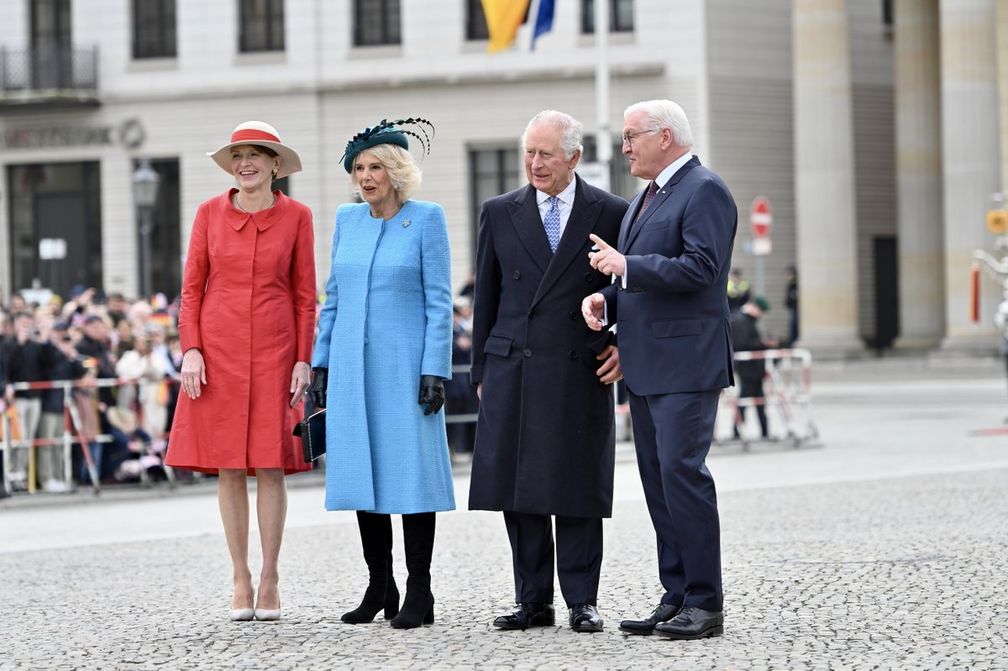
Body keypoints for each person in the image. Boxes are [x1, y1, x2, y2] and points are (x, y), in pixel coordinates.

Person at [469, 110, 628, 633]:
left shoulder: (611, 211)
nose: (534, 164)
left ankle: (582, 599)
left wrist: (621, 343)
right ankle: (532, 600)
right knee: (522, 487)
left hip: (579, 365)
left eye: (546, 154)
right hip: (515, 364)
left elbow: (628, 292)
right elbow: (487, 298)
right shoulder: (499, 211)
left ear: (574, 158)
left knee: (577, 483)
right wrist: (481, 372)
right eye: (529, 153)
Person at [583, 99, 737, 640]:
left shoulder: (705, 189)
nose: (624, 147)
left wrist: (625, 267)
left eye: (631, 136)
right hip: (648, 365)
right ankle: (676, 594)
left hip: (687, 364)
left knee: (683, 478)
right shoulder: (643, 200)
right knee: (658, 484)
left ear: (665, 136)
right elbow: (642, 281)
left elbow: (701, 268)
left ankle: (705, 602)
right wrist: (607, 298)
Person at [165, 121, 316, 622]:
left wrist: (303, 358)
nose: (245, 163)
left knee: (271, 464)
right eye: (237, 155)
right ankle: (240, 576)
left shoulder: (298, 216)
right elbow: (191, 289)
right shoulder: (208, 213)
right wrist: (191, 349)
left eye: (255, 155)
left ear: (276, 164)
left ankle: (270, 576)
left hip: (276, 351)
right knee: (229, 465)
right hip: (219, 352)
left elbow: (303, 295)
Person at [307, 118, 454, 630]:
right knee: (362, 475)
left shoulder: (426, 219)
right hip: (351, 368)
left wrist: (435, 368)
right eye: (358, 169)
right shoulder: (349, 221)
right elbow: (334, 299)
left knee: (410, 477)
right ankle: (380, 583)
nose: (365, 177)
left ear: (395, 171)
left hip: (405, 370)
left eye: (374, 167)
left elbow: (440, 301)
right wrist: (321, 361)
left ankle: (420, 589)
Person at [730, 296, 774, 440]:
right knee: (745, 400)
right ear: (754, 307)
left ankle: (764, 431)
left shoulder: (745, 319)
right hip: (748, 368)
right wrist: (763, 344)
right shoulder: (741, 320)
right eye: (761, 311)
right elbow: (743, 343)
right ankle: (738, 431)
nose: (761, 314)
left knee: (757, 401)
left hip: (754, 368)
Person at [784, 265, 799, 346]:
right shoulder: (790, 284)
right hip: (793, 309)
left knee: (794, 327)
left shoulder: (794, 284)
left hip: (796, 310)